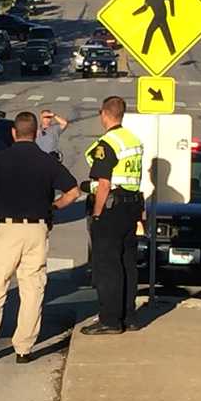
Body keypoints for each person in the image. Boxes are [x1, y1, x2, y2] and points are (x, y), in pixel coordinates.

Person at [0, 112, 80, 364]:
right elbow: (73, 191)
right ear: (36, 132)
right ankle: (24, 349)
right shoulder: (46, 161)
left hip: (5, 230)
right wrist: (53, 207)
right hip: (37, 229)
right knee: (32, 289)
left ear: (14, 133)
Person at [82, 96, 145, 335]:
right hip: (131, 207)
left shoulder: (107, 143)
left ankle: (109, 320)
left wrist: (97, 214)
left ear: (104, 114)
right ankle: (129, 317)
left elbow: (104, 183)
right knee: (127, 263)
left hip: (112, 209)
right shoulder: (133, 140)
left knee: (108, 266)